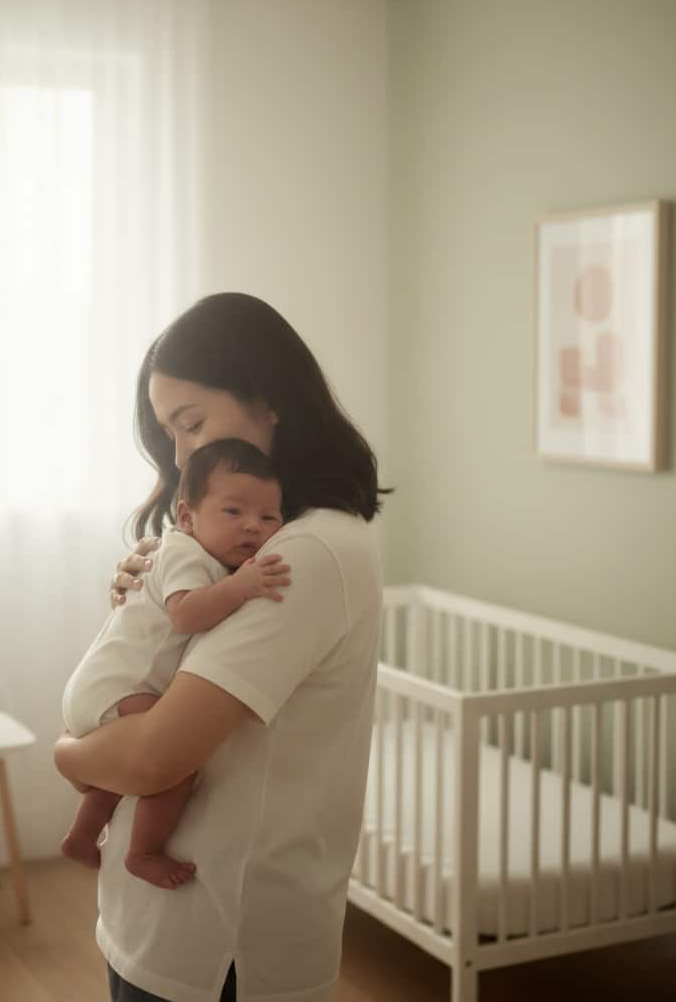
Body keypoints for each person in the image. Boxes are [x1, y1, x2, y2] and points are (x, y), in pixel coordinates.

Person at [54, 292, 390, 1002]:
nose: (181, 453)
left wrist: (70, 756)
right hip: (167, 915)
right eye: (170, 433)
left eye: (192, 423)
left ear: (267, 400)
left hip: (222, 942)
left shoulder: (308, 552)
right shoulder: (249, 550)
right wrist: (143, 604)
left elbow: (152, 756)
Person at [60, 438, 290, 891]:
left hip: (98, 688)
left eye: (268, 517)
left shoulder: (197, 555)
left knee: (126, 764)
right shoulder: (186, 552)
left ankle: (82, 836)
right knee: (175, 760)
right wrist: (243, 586)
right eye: (233, 512)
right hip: (119, 688)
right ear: (187, 516)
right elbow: (186, 612)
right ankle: (143, 851)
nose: (252, 527)